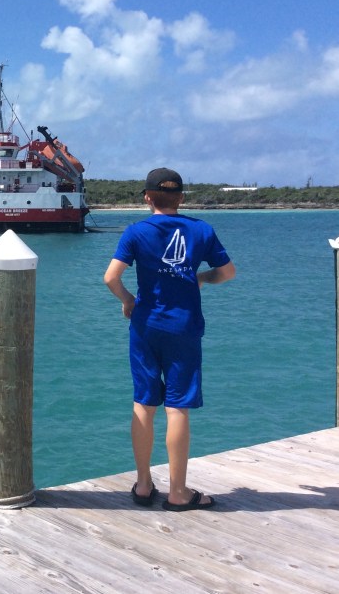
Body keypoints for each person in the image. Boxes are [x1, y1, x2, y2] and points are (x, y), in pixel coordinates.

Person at [104, 167, 236, 511]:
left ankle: (145, 485)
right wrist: (201, 278)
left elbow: (111, 278)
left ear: (147, 197)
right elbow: (228, 272)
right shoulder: (201, 230)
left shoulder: (135, 232)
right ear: (181, 197)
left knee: (144, 403)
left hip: (146, 326)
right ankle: (178, 493)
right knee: (177, 407)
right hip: (184, 328)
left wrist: (129, 302)